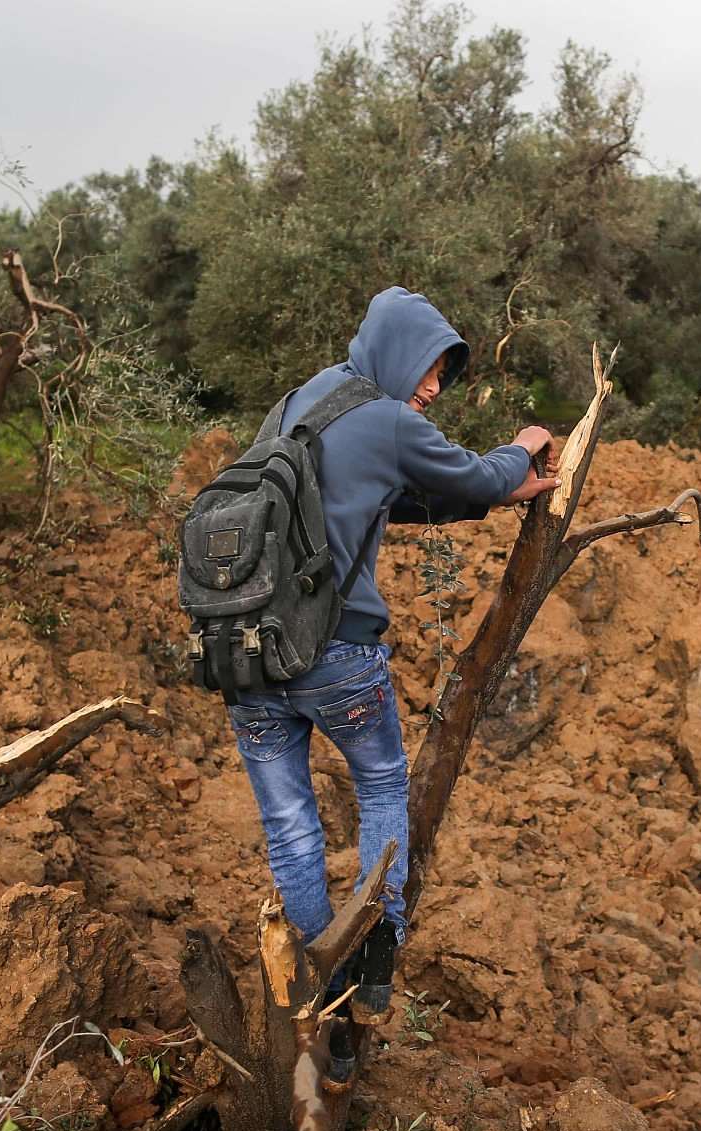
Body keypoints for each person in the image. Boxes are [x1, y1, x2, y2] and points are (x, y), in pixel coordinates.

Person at [224, 287, 557, 1084]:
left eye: (445, 375)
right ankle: (374, 959)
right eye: (432, 367)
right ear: (395, 348)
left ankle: (319, 997)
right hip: (336, 654)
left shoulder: (300, 403)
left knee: (290, 824)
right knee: (379, 785)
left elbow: (374, 497)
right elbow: (475, 476)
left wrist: (480, 497)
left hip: (245, 651)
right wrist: (526, 448)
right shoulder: (385, 418)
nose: (436, 386)